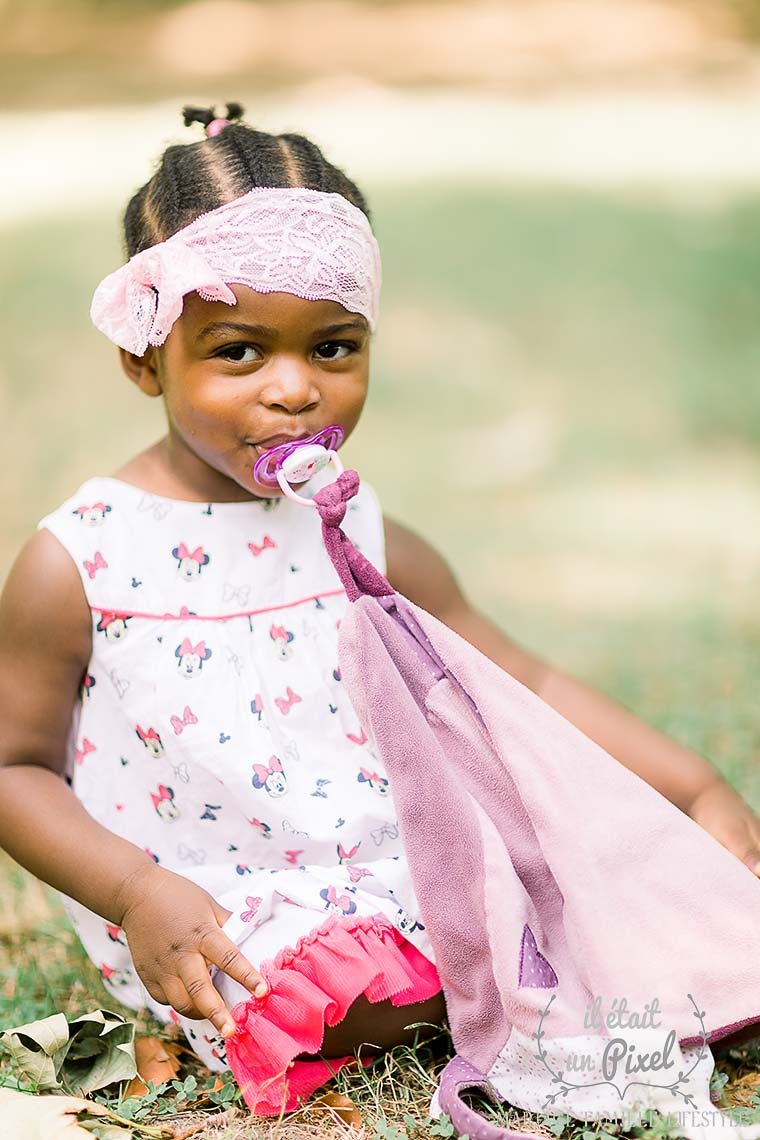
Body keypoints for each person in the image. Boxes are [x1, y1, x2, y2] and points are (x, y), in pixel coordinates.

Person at [0, 102, 758, 1117]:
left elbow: (518, 680)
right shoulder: (80, 558)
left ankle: (526, 967)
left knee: (546, 885)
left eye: (333, 348)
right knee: (329, 993)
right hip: (210, 907)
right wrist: (138, 895)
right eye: (237, 352)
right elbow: (16, 769)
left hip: (387, 861)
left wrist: (694, 787)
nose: (294, 390)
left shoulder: (354, 532)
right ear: (145, 357)